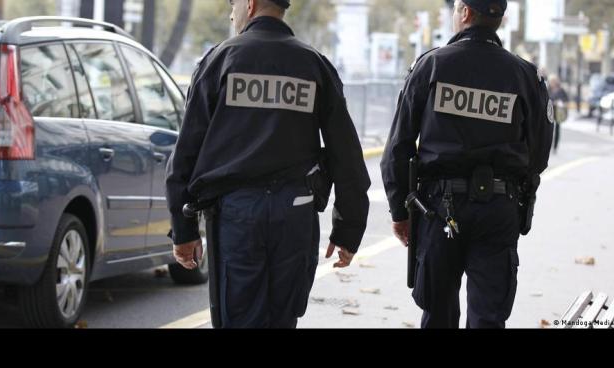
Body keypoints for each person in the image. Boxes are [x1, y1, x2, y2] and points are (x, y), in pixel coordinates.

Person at [166, 0, 370, 328]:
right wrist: (348, 230)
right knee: (282, 320)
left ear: (250, 3)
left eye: (233, 4)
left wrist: (183, 228)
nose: (232, 13)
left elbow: (186, 152)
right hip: (296, 213)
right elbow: (345, 154)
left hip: (237, 215)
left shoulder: (220, 60)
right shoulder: (313, 64)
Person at [380, 0, 554, 329]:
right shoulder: (525, 75)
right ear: (500, 19)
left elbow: (399, 147)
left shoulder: (431, 66)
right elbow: (540, 153)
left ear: (464, 13)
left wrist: (400, 212)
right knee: (489, 316)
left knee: (438, 313)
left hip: (438, 209)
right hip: (499, 209)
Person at [548, 74, 569, 152]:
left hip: (559, 112)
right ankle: (548, 145)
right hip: (550, 112)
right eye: (551, 81)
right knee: (549, 129)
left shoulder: (561, 90)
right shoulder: (547, 89)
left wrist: (560, 103)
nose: (552, 83)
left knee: (557, 129)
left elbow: (566, 100)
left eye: (554, 81)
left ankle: (555, 146)